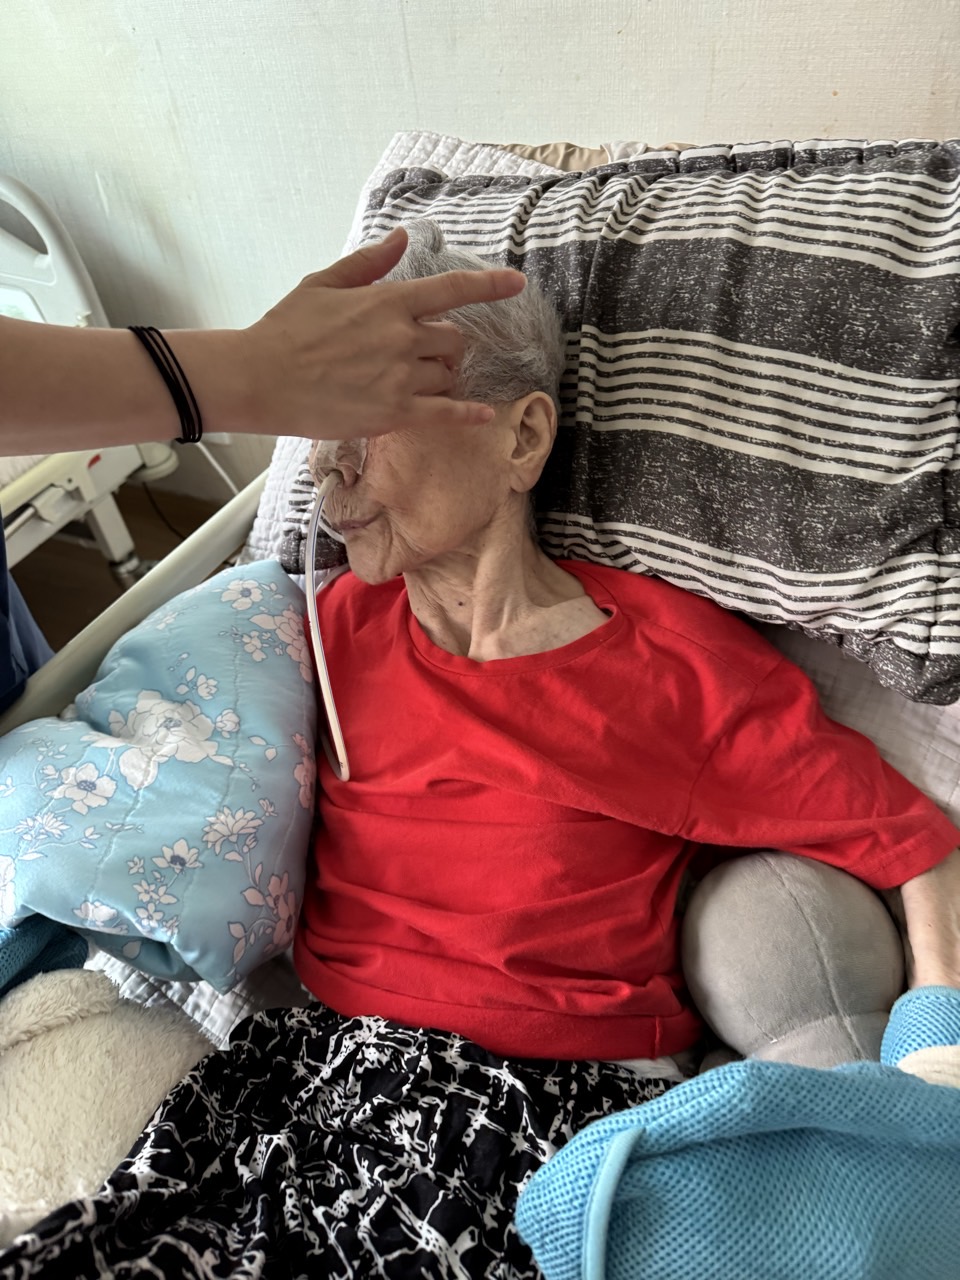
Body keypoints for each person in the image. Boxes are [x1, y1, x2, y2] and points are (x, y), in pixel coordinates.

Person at [4, 221, 959, 1280]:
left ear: (521, 438)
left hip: (522, 1121)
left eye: (363, 417)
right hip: (303, 1082)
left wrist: (936, 1061)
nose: (327, 468)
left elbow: (917, 844)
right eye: (317, 433)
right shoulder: (311, 631)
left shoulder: (668, 670)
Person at [0, 226, 526, 714]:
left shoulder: (582, 684)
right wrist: (248, 367)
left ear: (524, 438)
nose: (324, 466)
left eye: (379, 411)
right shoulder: (284, 630)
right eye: (326, 422)